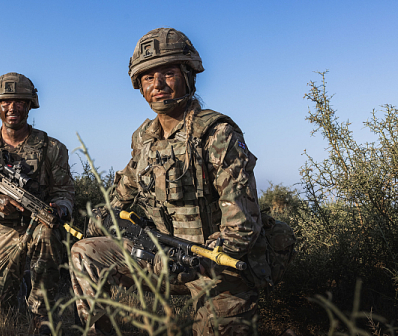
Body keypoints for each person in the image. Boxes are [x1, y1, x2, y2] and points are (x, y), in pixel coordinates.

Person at [70, 28, 271, 336]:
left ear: (188, 75)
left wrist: (204, 258)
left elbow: (242, 224)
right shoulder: (144, 137)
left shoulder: (216, 134)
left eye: (168, 73)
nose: (158, 86)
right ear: (139, 85)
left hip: (212, 266)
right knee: (85, 252)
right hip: (156, 257)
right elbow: (122, 193)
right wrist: (98, 221)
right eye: (148, 78)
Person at [0, 72, 75, 334]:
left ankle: (42, 318)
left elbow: (64, 192)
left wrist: (60, 208)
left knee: (48, 231)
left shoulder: (51, 148)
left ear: (30, 104)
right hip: (0, 231)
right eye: (6, 102)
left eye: (20, 101)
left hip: (38, 226)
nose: (13, 108)